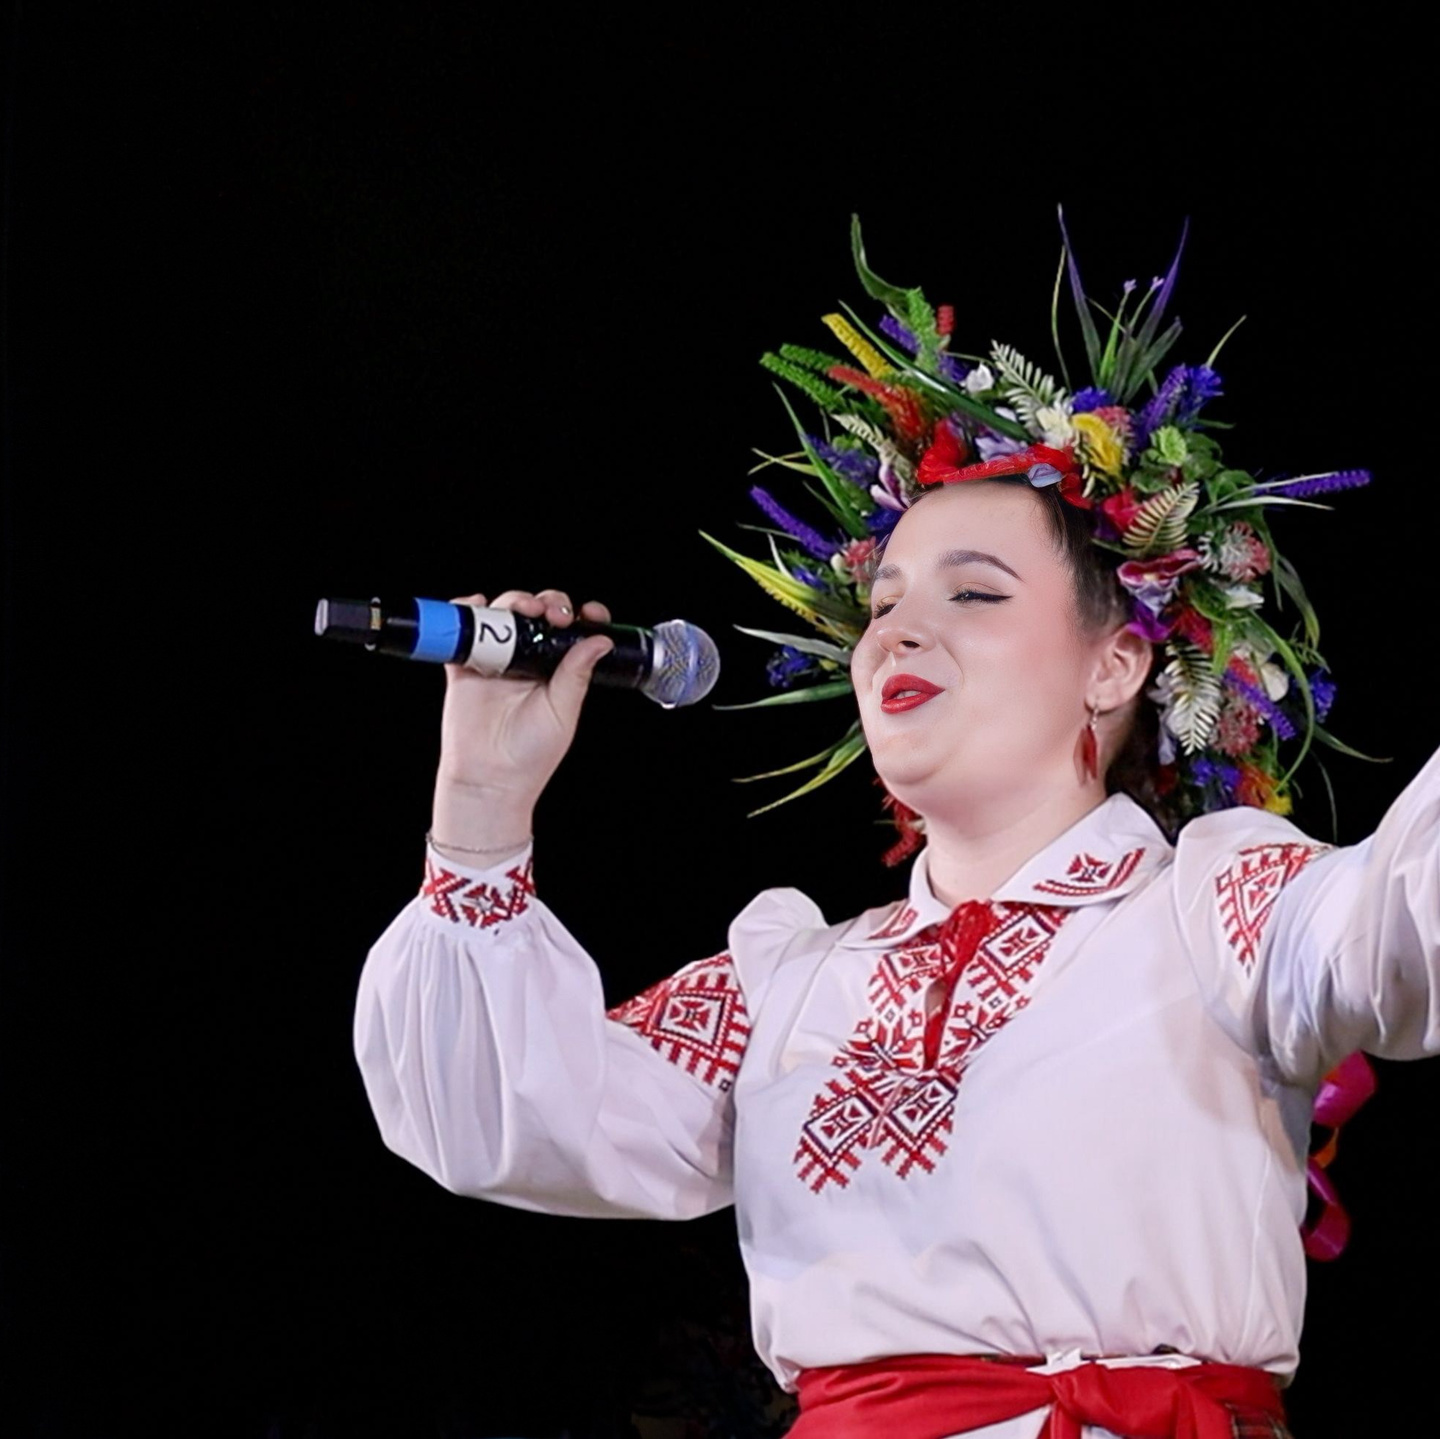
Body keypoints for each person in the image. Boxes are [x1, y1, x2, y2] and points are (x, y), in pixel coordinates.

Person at [352, 222, 1439, 1438]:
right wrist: (483, 811)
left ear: (1118, 661)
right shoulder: (794, 984)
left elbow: (1405, 914)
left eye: (974, 593)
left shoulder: (1217, 916)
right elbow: (505, 1113)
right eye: (883, 605)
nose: (899, 634)